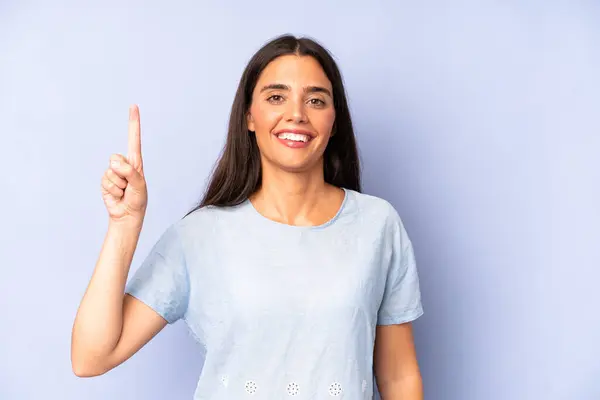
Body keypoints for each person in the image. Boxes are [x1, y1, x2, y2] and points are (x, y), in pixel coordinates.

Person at [71, 34, 424, 399]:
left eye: (316, 100)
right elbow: (90, 357)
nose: (297, 114)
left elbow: (398, 376)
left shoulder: (377, 225)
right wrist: (124, 225)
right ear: (249, 117)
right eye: (276, 97)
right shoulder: (200, 235)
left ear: (334, 122)